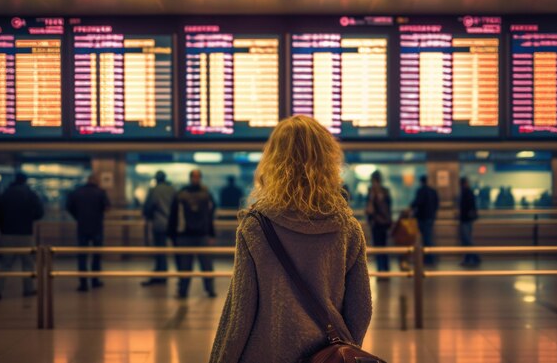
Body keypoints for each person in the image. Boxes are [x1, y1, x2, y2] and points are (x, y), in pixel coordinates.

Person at [209, 116, 372, 363]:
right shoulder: (347, 228)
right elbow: (361, 308)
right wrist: (342, 351)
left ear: (273, 161)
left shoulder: (256, 226)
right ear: (328, 161)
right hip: (326, 354)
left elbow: (240, 311)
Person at [0, 173, 43, 300]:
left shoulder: (6, 194)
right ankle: (28, 289)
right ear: (25, 181)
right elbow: (39, 212)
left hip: (8, 234)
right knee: (28, 264)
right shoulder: (30, 194)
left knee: (5, 264)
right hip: (26, 233)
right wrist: (29, 218)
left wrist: (3, 226)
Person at [168, 169, 217, 299]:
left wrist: (172, 235)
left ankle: (184, 291)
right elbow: (210, 216)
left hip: (186, 235)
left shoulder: (181, 194)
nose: (195, 179)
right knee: (205, 264)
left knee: (185, 266)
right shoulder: (206, 194)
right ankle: (209, 289)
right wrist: (211, 234)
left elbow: (173, 216)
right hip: (197, 234)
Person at [67, 174, 110, 292]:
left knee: (82, 256)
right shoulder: (101, 192)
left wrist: (78, 217)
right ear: (96, 181)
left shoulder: (77, 192)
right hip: (97, 227)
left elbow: (69, 207)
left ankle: (83, 283)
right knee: (96, 255)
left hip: (82, 226)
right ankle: (95, 280)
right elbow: (107, 207)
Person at [141, 171, 175, 286]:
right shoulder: (172, 189)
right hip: (172, 224)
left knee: (160, 251)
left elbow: (148, 206)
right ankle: (177, 276)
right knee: (177, 251)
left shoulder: (154, 190)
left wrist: (148, 216)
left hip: (159, 223)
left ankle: (160, 274)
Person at [366, 170, 392, 275]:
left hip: (379, 223)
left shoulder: (377, 192)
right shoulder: (381, 191)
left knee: (381, 246)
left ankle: (383, 270)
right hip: (381, 223)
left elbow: (371, 209)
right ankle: (383, 269)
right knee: (381, 246)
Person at [411, 175, 439, 265]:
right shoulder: (433, 191)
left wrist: (411, 207)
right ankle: (431, 258)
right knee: (429, 238)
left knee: (426, 239)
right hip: (430, 217)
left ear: (421, 182)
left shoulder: (421, 191)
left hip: (422, 218)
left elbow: (417, 202)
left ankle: (429, 259)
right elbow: (436, 204)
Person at [458, 177, 480, 267]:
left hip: (465, 219)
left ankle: (473, 258)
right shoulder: (468, 192)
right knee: (467, 240)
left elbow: (466, 206)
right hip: (467, 219)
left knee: (467, 240)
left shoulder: (465, 192)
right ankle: (470, 258)